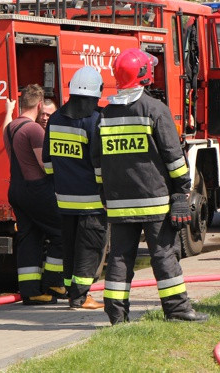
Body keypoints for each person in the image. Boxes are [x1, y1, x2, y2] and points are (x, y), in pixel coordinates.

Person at [90, 48, 208, 324]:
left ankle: (117, 317)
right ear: (144, 74)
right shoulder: (155, 109)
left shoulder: (104, 116)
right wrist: (182, 191)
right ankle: (177, 311)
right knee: (164, 255)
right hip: (155, 201)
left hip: (119, 204)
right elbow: (173, 156)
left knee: (119, 258)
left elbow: (98, 163)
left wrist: (104, 193)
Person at [43, 66, 106, 310]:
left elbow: (48, 161)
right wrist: (104, 192)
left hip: (64, 199)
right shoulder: (94, 121)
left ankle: (72, 291)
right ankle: (81, 297)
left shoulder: (56, 118)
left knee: (69, 249)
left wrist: (61, 181)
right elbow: (99, 164)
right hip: (91, 201)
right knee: (89, 248)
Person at [3, 84, 65, 304]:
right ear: (40, 105)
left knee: (29, 237)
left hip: (16, 190)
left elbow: (6, 128)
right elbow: (45, 164)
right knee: (62, 232)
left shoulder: (11, 128)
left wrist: (8, 112)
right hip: (37, 190)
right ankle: (54, 282)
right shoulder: (34, 130)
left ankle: (31, 291)